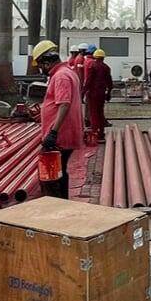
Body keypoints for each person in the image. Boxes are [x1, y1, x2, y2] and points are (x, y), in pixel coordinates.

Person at [34, 40, 84, 197]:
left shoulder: (61, 76)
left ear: (47, 62)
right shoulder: (67, 72)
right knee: (60, 172)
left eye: (41, 65)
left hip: (60, 136)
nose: (41, 69)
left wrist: (53, 132)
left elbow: (64, 104)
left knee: (51, 176)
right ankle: (62, 203)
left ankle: (57, 206)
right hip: (65, 133)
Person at [85, 49, 113, 144]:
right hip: (102, 93)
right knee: (100, 113)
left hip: (92, 93)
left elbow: (88, 81)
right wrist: (109, 93)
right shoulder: (107, 68)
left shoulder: (92, 66)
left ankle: (94, 133)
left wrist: (82, 92)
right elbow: (110, 82)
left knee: (93, 113)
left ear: (95, 57)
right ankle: (101, 133)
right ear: (103, 57)